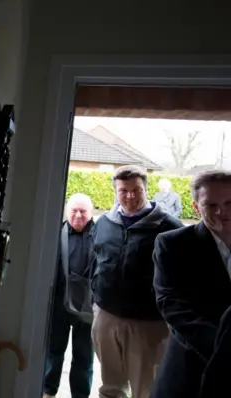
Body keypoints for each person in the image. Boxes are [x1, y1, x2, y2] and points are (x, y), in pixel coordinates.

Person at [91, 165, 182, 398]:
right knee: (110, 386)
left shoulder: (169, 227)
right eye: (123, 190)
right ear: (115, 191)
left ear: (146, 189)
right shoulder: (103, 223)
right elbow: (97, 261)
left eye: (136, 190)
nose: (130, 195)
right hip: (107, 317)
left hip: (148, 324)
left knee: (145, 388)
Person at [151, 170, 231, 398]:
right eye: (211, 204)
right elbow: (172, 305)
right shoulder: (173, 244)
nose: (221, 211)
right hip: (192, 368)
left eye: (229, 202)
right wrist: (224, 349)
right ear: (196, 207)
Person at [43, 193, 96, 398]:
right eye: (74, 210)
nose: (78, 215)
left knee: (84, 357)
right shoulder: (56, 232)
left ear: (91, 214)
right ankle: (48, 391)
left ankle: (80, 395)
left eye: (83, 211)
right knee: (53, 352)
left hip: (88, 309)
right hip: (59, 304)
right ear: (67, 212)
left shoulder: (100, 234)